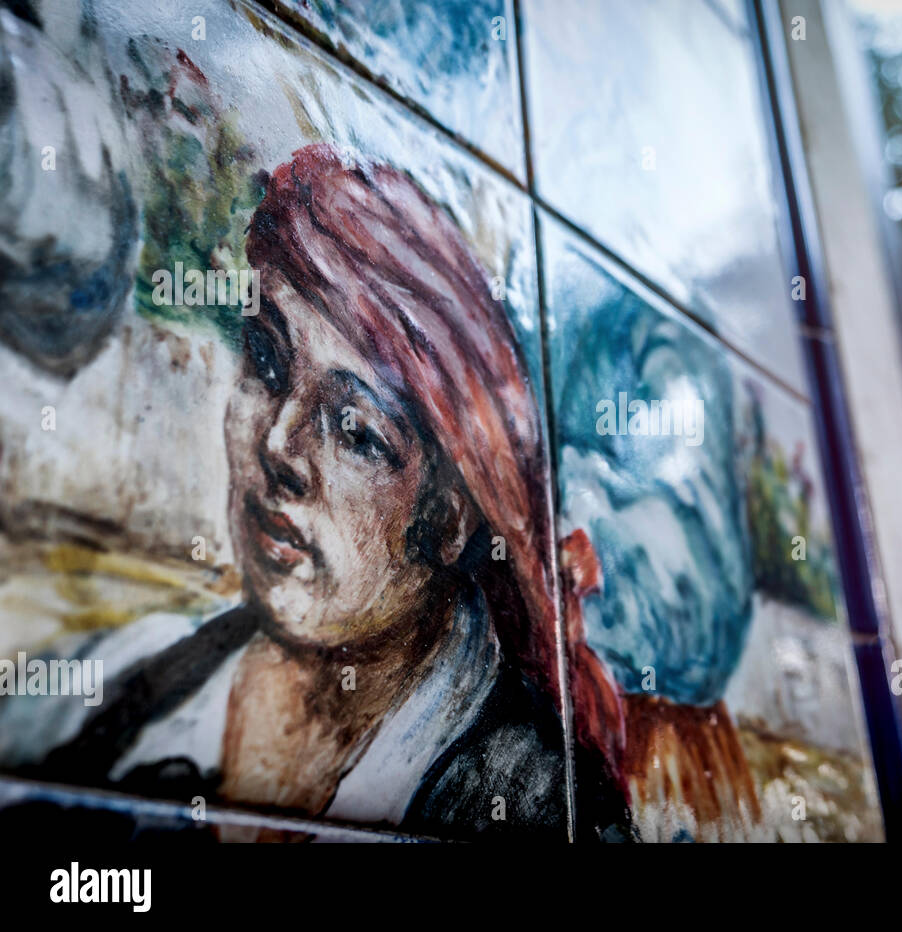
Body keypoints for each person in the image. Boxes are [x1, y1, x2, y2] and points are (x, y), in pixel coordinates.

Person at [4, 143, 631, 841]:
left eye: (356, 430)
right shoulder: (118, 688)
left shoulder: (545, 807)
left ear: (452, 515)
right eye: (267, 361)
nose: (279, 446)